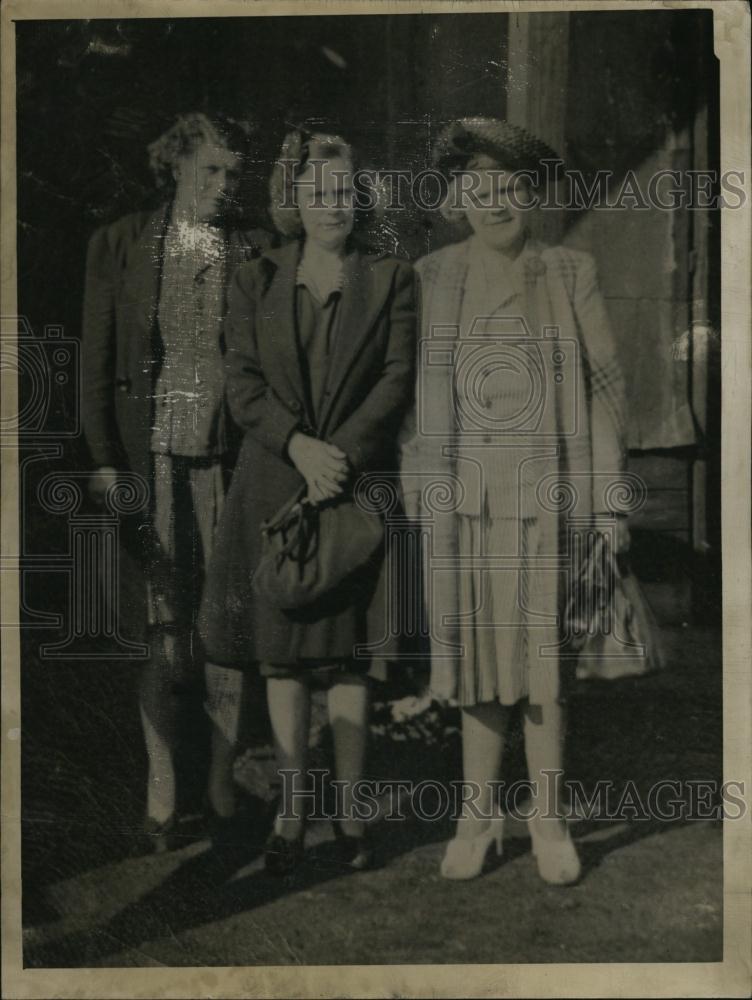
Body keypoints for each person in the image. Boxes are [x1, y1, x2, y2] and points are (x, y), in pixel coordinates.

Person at [400, 117, 629, 883]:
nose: (496, 202)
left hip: (548, 498)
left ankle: (551, 820)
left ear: (531, 195)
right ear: (458, 198)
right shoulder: (433, 277)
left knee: (542, 670)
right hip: (465, 501)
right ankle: (478, 817)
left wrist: (609, 506)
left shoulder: (568, 272)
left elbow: (603, 394)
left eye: (510, 189)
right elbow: (412, 402)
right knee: (469, 663)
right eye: (480, 189)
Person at [199, 126, 416, 873]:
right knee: (284, 659)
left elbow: (395, 379)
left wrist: (341, 456)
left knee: (349, 658)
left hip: (354, 488)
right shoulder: (255, 277)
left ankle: (353, 811)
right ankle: (292, 812)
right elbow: (242, 383)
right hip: (275, 480)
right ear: (294, 198)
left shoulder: (391, 278)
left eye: (344, 192)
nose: (332, 206)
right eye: (317, 192)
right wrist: (298, 446)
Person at [81, 112, 271, 850]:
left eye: (232, 173)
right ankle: (162, 792)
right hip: (150, 461)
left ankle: (221, 785)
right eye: (209, 172)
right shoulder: (121, 244)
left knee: (225, 625)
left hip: (229, 461)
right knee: (162, 627)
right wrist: (102, 460)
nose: (224, 187)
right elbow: (97, 365)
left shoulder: (251, 245)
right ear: (175, 169)